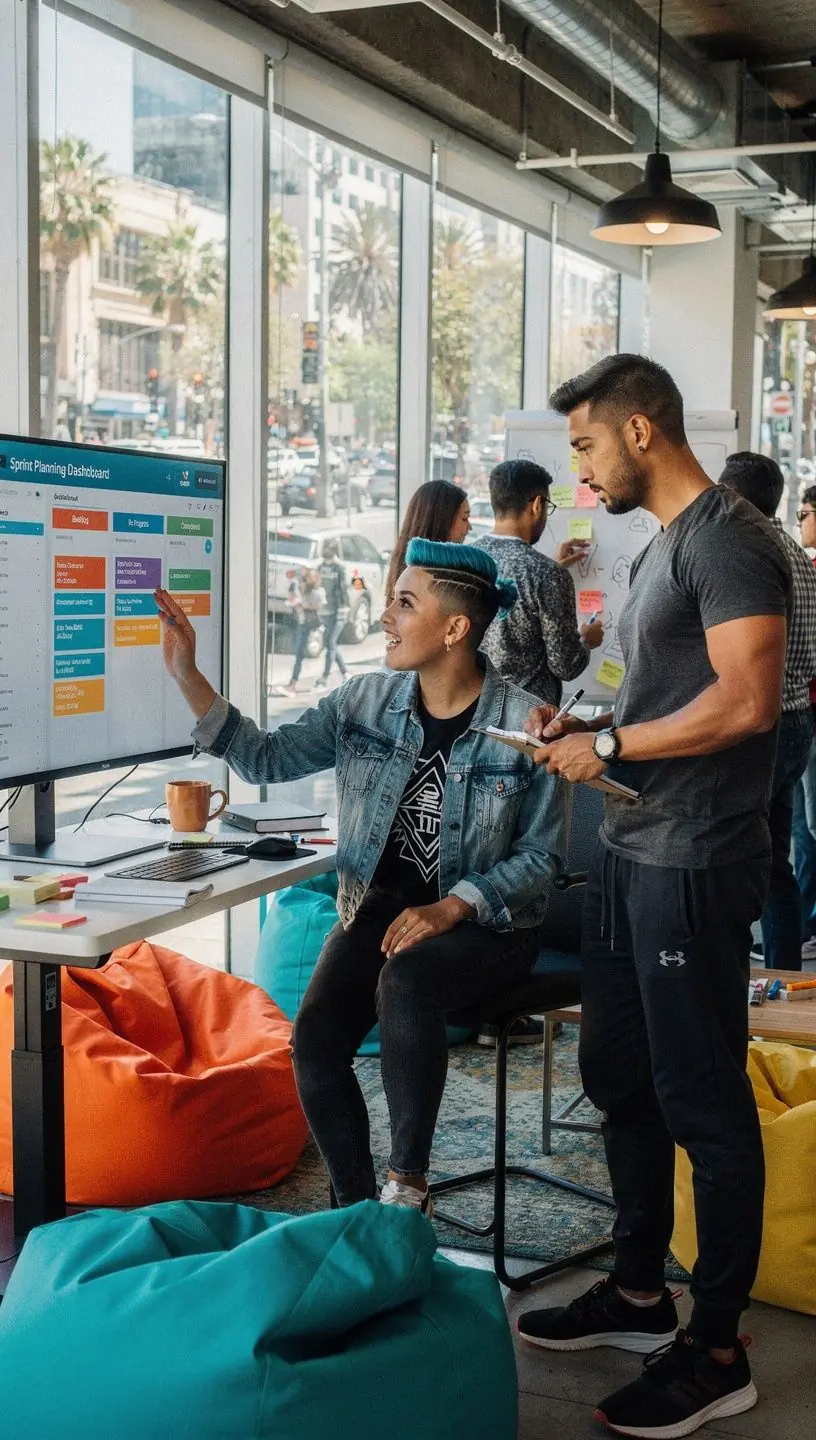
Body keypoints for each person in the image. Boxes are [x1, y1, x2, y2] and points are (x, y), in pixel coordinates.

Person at [517, 355, 790, 1440]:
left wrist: (617, 740)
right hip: (632, 849)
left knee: (702, 1102)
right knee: (617, 1074)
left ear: (640, 430)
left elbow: (751, 702)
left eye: (584, 445)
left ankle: (717, 1350)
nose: (577, 469)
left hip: (694, 860)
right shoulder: (662, 548)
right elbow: (648, 681)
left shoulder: (728, 538)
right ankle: (638, 1292)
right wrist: (584, 723)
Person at [154, 539, 566, 1215]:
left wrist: (453, 908)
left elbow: (542, 861)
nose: (386, 618)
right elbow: (264, 757)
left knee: (405, 980)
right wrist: (186, 674)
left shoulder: (526, 725)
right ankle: (355, 1209)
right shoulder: (364, 702)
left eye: (405, 603)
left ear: (456, 628)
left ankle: (407, 1188)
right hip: (379, 911)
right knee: (313, 1040)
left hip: (488, 926)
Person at [718, 453, 816, 970]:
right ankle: (783, 976)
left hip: (761, 722)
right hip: (797, 715)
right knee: (776, 860)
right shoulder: (799, 554)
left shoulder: (749, 550)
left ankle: (731, 980)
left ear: (734, 496)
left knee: (732, 858)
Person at [474, 459, 604, 707]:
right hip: (527, 719)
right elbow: (566, 665)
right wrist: (587, 640)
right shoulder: (547, 575)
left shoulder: (466, 560)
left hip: (475, 710)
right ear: (537, 505)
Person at [793, 484, 816, 960]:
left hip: (806, 710)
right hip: (802, 711)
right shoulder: (805, 568)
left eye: (806, 512)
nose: (800, 521)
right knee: (800, 825)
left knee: (809, 827)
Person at [385, 480, 471, 600]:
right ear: (442, 521)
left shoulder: (404, 571)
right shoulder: (432, 579)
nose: (469, 527)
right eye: (464, 518)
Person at [273, 567, 326, 698]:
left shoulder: (318, 592)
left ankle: (293, 686)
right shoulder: (306, 589)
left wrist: (303, 605)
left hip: (312, 626)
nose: (303, 581)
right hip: (305, 624)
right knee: (301, 654)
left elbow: (319, 606)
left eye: (305, 578)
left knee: (303, 654)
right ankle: (293, 684)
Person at [315, 538, 349, 690]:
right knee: (331, 643)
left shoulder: (339, 567)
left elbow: (343, 589)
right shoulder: (320, 566)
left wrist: (343, 609)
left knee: (330, 643)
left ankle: (325, 676)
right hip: (326, 612)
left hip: (338, 612)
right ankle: (345, 673)